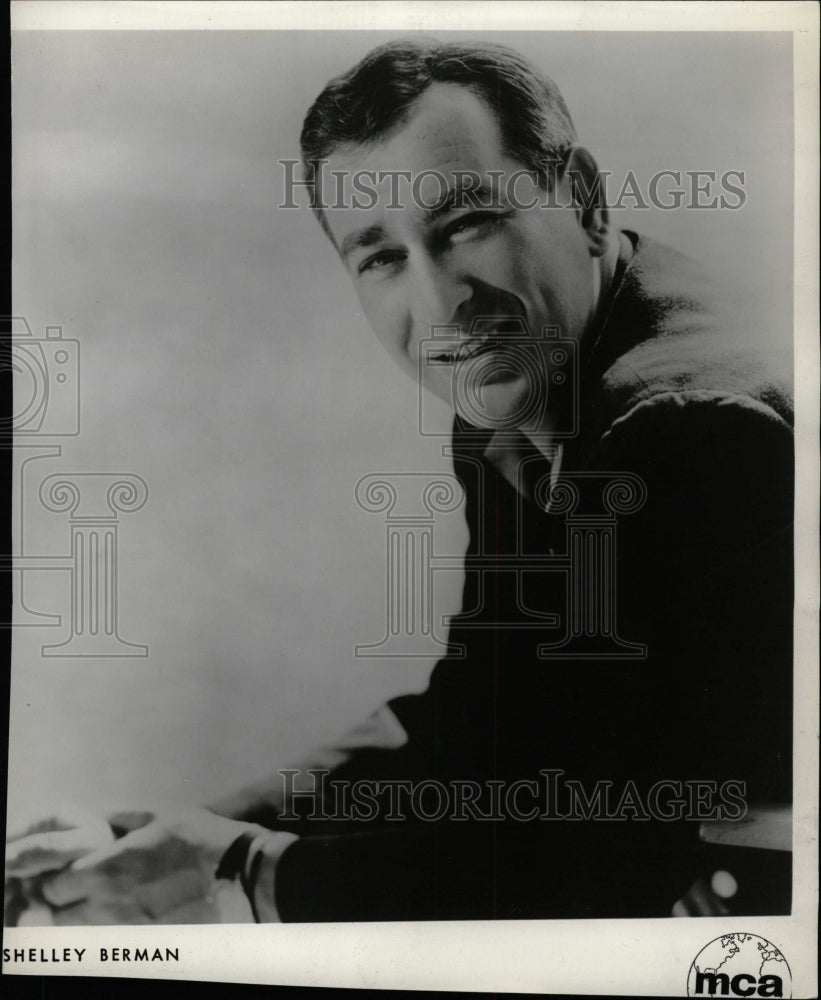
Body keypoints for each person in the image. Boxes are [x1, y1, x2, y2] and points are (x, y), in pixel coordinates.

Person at [5, 39, 793, 924]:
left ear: (583, 200)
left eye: (466, 224)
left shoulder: (678, 428)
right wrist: (179, 830)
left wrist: (242, 871)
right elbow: (474, 724)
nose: (440, 303)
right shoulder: (524, 382)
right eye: (380, 257)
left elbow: (599, 860)